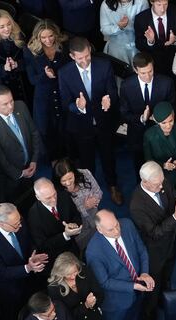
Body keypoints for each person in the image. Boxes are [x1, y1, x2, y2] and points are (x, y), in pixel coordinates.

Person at [85, 210, 154, 320]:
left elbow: (141, 250)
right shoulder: (94, 251)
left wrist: (144, 273)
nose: (117, 231)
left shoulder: (127, 225)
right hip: (114, 300)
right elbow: (105, 282)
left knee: (132, 317)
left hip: (138, 287)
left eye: (116, 225)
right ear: (99, 229)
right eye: (111, 229)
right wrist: (133, 285)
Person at [58, 37, 122, 205]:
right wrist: (77, 106)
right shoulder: (64, 73)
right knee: (87, 161)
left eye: (87, 56)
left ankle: (113, 185)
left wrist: (109, 99)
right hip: (82, 126)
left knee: (108, 156)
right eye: (80, 58)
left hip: (103, 121)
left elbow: (113, 91)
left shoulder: (104, 65)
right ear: (72, 56)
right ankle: (90, 190)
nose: (85, 60)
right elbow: (66, 103)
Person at [130, 160, 176, 320]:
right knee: (152, 289)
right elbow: (154, 233)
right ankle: (148, 319)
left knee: (167, 276)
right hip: (153, 252)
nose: (161, 186)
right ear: (145, 182)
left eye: (162, 182)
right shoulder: (137, 205)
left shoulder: (162, 181)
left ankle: (166, 299)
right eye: (157, 185)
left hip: (171, 243)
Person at [0, 203, 49, 319]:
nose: (20, 226)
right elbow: (1, 271)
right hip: (10, 287)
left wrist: (33, 254)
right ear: (2, 223)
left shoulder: (16, 221)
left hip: (30, 276)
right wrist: (28, 268)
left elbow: (29, 240)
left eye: (19, 221)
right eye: (16, 225)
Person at [142, 103, 176, 258]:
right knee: (165, 215)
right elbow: (147, 161)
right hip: (161, 182)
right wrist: (163, 165)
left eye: (170, 121)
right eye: (163, 123)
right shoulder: (149, 136)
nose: (168, 125)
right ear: (156, 122)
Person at [0, 85, 42, 202]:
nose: (11, 106)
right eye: (5, 104)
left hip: (30, 166)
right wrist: (20, 173)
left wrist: (34, 159)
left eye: (11, 101)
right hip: (12, 178)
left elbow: (34, 133)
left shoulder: (21, 107)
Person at [121, 52, 175, 177]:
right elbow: (124, 114)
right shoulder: (126, 85)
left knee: (163, 170)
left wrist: (161, 117)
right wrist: (141, 118)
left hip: (161, 135)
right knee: (140, 170)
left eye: (150, 71)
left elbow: (172, 108)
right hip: (137, 136)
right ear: (135, 70)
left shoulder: (166, 83)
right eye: (143, 73)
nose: (148, 76)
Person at [24, 19, 70, 163]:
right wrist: (45, 75)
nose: (48, 40)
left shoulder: (64, 47)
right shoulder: (30, 51)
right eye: (43, 37)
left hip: (62, 93)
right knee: (46, 130)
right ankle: (53, 160)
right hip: (44, 97)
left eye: (50, 36)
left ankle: (68, 157)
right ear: (38, 38)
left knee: (64, 127)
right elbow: (32, 79)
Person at [29, 178, 83, 264]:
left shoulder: (64, 195)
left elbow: (76, 215)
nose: (54, 200)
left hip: (73, 248)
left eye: (54, 194)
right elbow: (43, 245)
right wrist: (65, 235)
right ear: (38, 197)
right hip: (56, 258)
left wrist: (75, 224)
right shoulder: (33, 216)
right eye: (48, 198)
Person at [54, 158, 103, 251]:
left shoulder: (85, 174)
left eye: (70, 178)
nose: (68, 183)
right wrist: (84, 207)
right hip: (77, 225)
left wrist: (94, 200)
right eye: (63, 180)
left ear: (75, 173)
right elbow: (65, 215)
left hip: (94, 216)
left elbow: (99, 192)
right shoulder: (57, 191)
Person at [0, 9, 27, 103]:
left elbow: (29, 61)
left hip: (21, 84)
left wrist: (17, 64)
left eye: (9, 24)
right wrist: (3, 68)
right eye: (2, 27)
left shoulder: (20, 36)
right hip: (0, 86)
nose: (7, 29)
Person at [134, 0, 176, 77]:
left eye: (165, 4)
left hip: (174, 61)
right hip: (153, 64)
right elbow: (138, 44)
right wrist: (150, 41)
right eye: (159, 5)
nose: (162, 9)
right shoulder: (141, 18)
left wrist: (175, 40)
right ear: (152, 2)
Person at [100, 0, 147, 65]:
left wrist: (129, 24)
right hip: (116, 49)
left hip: (136, 48)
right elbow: (104, 30)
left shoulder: (142, 2)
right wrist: (119, 27)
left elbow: (145, 26)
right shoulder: (106, 4)